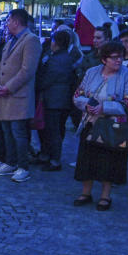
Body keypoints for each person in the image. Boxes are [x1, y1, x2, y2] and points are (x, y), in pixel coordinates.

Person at [72, 41, 128, 210]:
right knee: (87, 159)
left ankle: (105, 195)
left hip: (113, 126)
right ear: (104, 59)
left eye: (121, 57)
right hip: (90, 123)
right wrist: (86, 104)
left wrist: (106, 108)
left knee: (109, 162)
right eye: (114, 58)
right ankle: (86, 192)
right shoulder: (91, 72)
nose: (119, 61)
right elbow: (78, 94)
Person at [0, 8, 42, 182]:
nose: (6, 23)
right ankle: (10, 162)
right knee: (7, 132)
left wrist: (9, 87)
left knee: (18, 133)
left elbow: (27, 70)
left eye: (8, 20)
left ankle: (23, 166)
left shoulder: (31, 41)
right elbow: (1, 65)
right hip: (4, 95)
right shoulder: (11, 40)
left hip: (18, 96)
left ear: (16, 21)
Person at [35, 30, 76, 171]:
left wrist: (37, 86)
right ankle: (47, 155)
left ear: (56, 43)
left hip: (55, 99)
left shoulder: (59, 60)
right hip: (56, 98)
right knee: (51, 130)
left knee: (53, 131)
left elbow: (48, 79)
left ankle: (54, 160)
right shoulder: (61, 57)